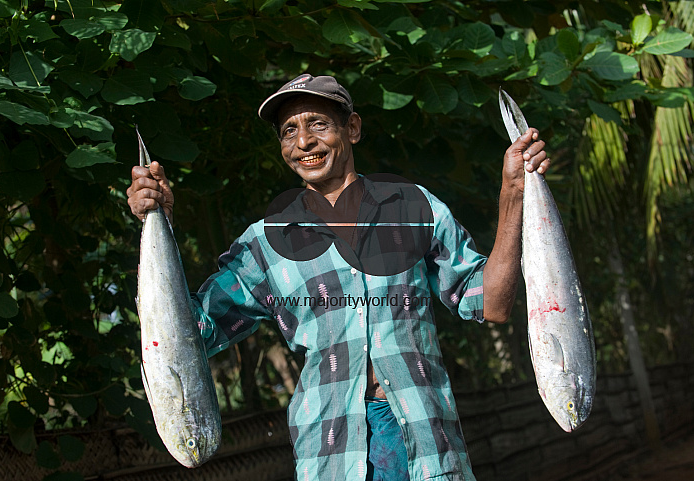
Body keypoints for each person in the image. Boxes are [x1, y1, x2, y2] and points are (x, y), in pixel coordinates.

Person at [127, 74, 549, 481]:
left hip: (427, 450)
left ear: (353, 128)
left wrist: (513, 193)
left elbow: (490, 303)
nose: (304, 142)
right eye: (288, 131)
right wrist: (156, 223)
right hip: (329, 456)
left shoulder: (415, 209)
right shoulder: (263, 244)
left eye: (317, 124)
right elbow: (189, 333)